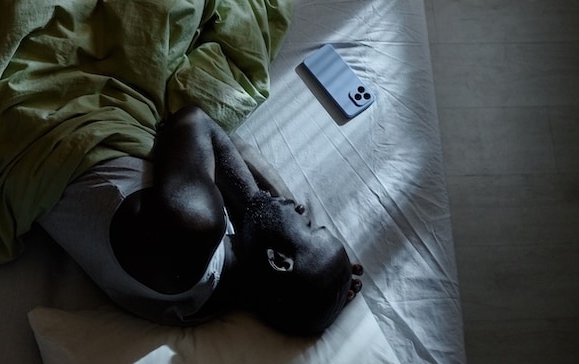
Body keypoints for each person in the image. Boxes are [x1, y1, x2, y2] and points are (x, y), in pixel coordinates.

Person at [38, 105, 364, 336]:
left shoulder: (194, 229)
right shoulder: (199, 308)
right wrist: (321, 297)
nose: (298, 207)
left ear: (278, 260)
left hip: (53, 122)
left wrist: (257, 203)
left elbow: (195, 120)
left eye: (308, 225)